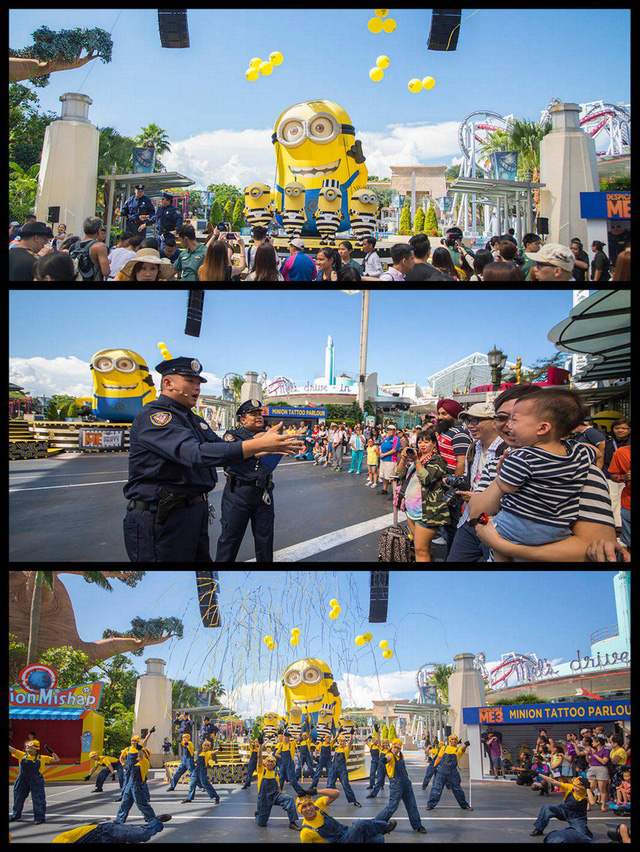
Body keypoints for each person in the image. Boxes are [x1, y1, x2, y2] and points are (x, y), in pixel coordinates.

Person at [123, 356, 303, 562]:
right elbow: (193, 453)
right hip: (162, 519)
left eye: (198, 382)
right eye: (190, 381)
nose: (196, 387)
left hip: (191, 514)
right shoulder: (156, 416)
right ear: (167, 383)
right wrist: (259, 445)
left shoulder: (193, 420)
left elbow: (220, 448)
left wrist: (261, 441)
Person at [476, 388, 598, 561]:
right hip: (558, 529)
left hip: (519, 526)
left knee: (491, 532)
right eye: (504, 418)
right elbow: (597, 453)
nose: (509, 426)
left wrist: (501, 475)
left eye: (515, 420)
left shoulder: (520, 457)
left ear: (542, 427)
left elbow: (508, 487)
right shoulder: (578, 452)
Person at [215, 399, 302, 562]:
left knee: (265, 540)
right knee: (229, 540)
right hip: (238, 494)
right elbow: (235, 454)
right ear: (242, 420)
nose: (258, 417)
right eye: (253, 414)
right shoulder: (232, 436)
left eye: (260, 414)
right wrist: (262, 444)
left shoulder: (270, 436)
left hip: (263, 493)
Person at [446, 402, 508, 562]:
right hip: (470, 519)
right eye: (467, 421)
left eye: (476, 421)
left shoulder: (507, 450)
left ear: (494, 421)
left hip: (496, 523)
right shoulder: (473, 447)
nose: (470, 426)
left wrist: (478, 497)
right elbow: (469, 477)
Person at [396, 429, 449, 562]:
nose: (422, 445)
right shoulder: (417, 460)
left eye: (426, 441)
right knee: (421, 547)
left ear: (434, 444)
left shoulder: (438, 460)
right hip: (411, 510)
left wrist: (416, 461)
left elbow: (426, 479)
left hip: (427, 511)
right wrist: (403, 459)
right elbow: (400, 474)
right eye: (420, 442)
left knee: (420, 550)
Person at [298, 788, 396, 843]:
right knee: (359, 824)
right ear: (300, 811)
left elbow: (336, 793)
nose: (308, 808)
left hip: (345, 834)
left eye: (309, 804)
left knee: (379, 839)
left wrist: (316, 791)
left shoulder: (318, 807)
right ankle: (384, 827)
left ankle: (381, 828)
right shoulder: (305, 832)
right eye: (304, 807)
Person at [374, 738, 427, 833]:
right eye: (395, 747)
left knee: (412, 804)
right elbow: (387, 758)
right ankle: (375, 824)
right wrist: (385, 759)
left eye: (398, 748)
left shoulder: (399, 757)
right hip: (396, 784)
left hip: (406, 783)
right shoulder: (390, 755)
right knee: (392, 806)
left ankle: (418, 825)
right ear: (392, 747)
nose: (396, 750)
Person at [530, 775, 596, 841]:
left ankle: (585, 830)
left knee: (582, 835)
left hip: (576, 817)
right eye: (575, 786)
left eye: (578, 787)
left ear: (584, 789)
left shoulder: (587, 794)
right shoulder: (570, 788)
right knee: (547, 807)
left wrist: (588, 788)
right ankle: (539, 829)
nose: (575, 788)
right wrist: (538, 774)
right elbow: (553, 781)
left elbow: (592, 802)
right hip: (563, 811)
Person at [10, 739, 59, 824]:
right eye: (27, 748)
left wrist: (51, 752)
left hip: (36, 780)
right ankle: (15, 816)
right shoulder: (21, 755)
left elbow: (56, 759)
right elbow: (11, 749)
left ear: (36, 749)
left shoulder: (42, 758)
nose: (28, 750)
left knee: (38, 798)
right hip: (22, 779)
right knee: (18, 797)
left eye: (30, 748)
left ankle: (39, 818)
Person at [115, 730, 157, 825]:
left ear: (146, 755)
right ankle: (119, 819)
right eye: (133, 741)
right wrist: (124, 765)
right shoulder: (129, 750)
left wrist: (148, 734)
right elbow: (138, 754)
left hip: (137, 784)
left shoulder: (144, 762)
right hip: (131, 781)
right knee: (125, 800)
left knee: (140, 802)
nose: (134, 742)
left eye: (135, 741)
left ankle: (151, 819)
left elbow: (141, 755)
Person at [426, 735, 472, 811]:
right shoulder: (444, 748)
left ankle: (464, 805)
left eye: (455, 739)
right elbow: (439, 757)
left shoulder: (458, 750)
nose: (454, 741)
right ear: (450, 741)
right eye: (452, 739)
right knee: (436, 788)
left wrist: (465, 745)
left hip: (453, 772)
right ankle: (430, 805)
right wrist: (434, 767)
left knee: (457, 789)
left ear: (457, 741)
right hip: (441, 771)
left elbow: (463, 750)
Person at [181, 739, 220, 805]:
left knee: (204, 783)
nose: (205, 747)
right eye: (204, 745)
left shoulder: (208, 753)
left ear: (209, 747)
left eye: (207, 746)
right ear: (202, 746)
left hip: (202, 769)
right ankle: (189, 797)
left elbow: (214, 752)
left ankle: (216, 796)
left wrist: (219, 749)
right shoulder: (201, 753)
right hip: (197, 769)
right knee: (192, 782)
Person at [326, 733, 361, 807]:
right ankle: (326, 801)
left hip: (342, 770)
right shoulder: (336, 749)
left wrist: (351, 735)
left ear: (345, 742)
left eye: (343, 741)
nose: (342, 743)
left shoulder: (346, 750)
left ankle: (354, 801)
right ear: (338, 742)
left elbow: (350, 743)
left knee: (346, 785)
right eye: (340, 741)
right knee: (330, 784)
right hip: (334, 769)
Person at [377, 424, 402, 497]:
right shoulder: (386, 438)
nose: (390, 431)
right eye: (388, 429)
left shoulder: (396, 439)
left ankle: (395, 493)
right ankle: (384, 489)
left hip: (391, 460)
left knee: (391, 477)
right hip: (383, 459)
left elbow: (394, 450)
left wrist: (384, 454)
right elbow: (381, 446)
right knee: (385, 475)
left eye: (391, 429)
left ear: (394, 431)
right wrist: (380, 452)